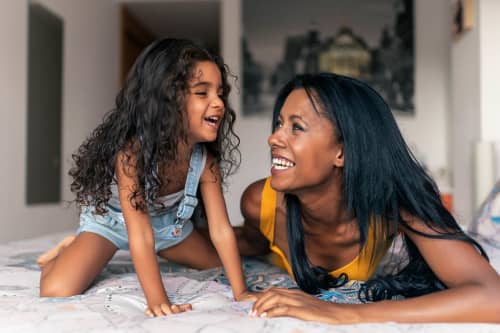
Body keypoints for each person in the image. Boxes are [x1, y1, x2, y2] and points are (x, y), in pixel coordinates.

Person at [237, 73, 500, 323]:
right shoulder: (260, 202)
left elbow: (492, 297)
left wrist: (345, 313)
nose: (273, 138)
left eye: (296, 127)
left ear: (342, 152)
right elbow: (245, 244)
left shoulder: (393, 202)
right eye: (279, 124)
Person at [38, 38, 252, 317]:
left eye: (220, 93)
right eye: (202, 93)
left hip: (168, 228)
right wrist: (158, 300)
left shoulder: (204, 160)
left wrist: (241, 292)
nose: (219, 103)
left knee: (217, 262)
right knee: (56, 289)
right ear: (168, 100)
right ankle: (69, 249)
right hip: (113, 223)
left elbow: (221, 230)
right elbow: (139, 234)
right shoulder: (131, 155)